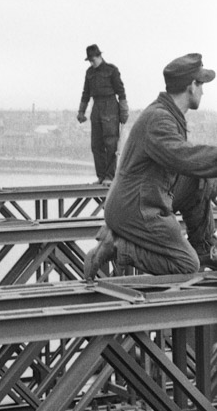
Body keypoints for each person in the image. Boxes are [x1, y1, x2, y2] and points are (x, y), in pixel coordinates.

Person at [85, 53, 217, 279]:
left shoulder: (168, 114)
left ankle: (205, 249)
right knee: (186, 264)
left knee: (202, 177)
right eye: (201, 84)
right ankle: (116, 246)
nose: (203, 90)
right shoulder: (159, 120)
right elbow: (184, 157)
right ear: (191, 87)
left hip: (148, 195)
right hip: (135, 208)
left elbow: (193, 165)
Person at [77, 44, 129, 184]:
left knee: (111, 143)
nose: (91, 63)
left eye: (93, 60)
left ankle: (110, 177)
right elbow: (86, 93)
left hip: (110, 107)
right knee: (96, 144)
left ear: (100, 56)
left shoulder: (112, 70)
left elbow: (121, 92)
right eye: (89, 61)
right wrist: (81, 111)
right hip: (96, 108)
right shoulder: (89, 73)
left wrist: (124, 111)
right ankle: (101, 176)